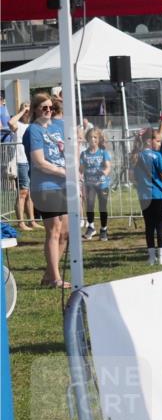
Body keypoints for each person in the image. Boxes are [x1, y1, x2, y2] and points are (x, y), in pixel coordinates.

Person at [24, 93, 71, 288]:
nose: (49, 111)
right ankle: (55, 278)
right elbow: (39, 162)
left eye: (51, 107)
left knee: (65, 233)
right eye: (44, 107)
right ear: (35, 109)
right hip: (45, 186)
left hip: (63, 185)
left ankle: (49, 274)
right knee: (54, 231)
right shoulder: (33, 130)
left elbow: (70, 149)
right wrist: (63, 171)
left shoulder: (58, 126)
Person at [132, 127, 162, 266]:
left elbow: (132, 177)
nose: (160, 144)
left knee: (149, 226)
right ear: (149, 141)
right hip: (158, 195)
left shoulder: (136, 156)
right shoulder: (157, 156)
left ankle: (151, 257)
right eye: (158, 141)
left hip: (143, 196)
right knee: (160, 225)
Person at [8, 103, 39, 230]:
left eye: (29, 107)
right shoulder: (18, 125)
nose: (27, 110)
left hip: (30, 161)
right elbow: (10, 123)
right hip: (20, 161)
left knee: (30, 193)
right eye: (24, 107)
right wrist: (22, 111)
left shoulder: (32, 125)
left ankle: (32, 221)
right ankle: (21, 222)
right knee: (22, 192)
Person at [80, 127, 112, 240]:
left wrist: (104, 172)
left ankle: (104, 229)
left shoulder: (103, 153)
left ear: (98, 139)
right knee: (89, 205)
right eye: (90, 137)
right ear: (87, 139)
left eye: (95, 137)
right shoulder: (84, 154)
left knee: (102, 207)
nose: (92, 139)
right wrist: (80, 178)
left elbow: (108, 168)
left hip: (102, 184)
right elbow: (81, 169)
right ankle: (91, 227)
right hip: (90, 185)